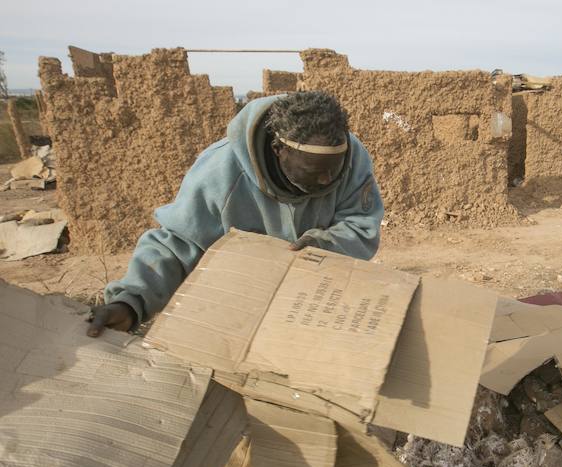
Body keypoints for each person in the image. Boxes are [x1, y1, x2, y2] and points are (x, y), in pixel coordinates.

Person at [86, 91, 383, 337]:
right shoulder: (221, 172)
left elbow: (361, 224)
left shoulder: (351, 157)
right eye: (312, 171)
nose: (326, 181)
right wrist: (130, 302)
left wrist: (324, 246)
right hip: (240, 310)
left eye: (335, 169)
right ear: (279, 150)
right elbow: (177, 245)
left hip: (316, 301)